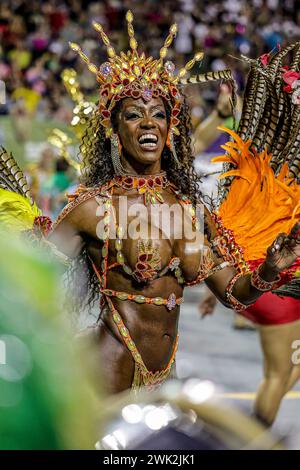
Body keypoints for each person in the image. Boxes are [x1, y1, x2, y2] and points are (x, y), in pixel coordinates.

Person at [0, 12, 299, 405]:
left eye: (158, 113)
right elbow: (37, 280)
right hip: (106, 369)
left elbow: (232, 294)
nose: (148, 123)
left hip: (166, 376)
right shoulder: (92, 208)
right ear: (114, 127)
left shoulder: (189, 208)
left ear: (171, 126)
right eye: (132, 114)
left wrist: (269, 270)